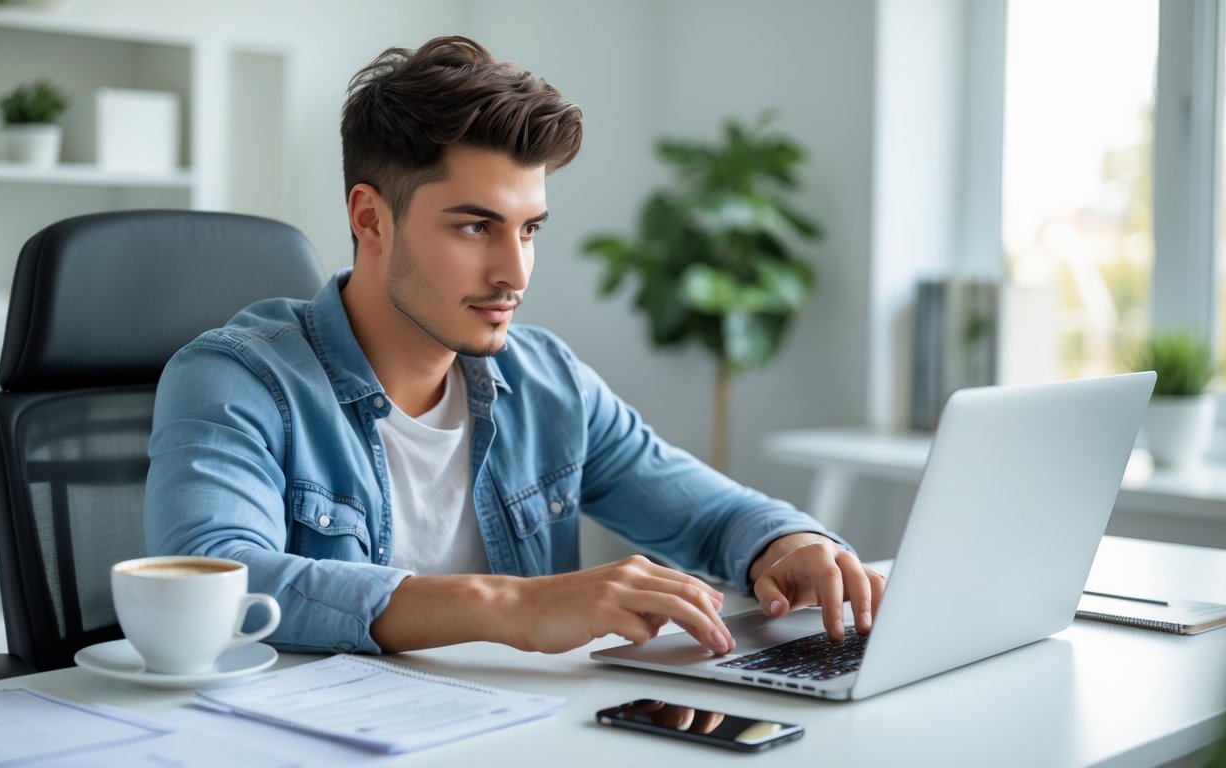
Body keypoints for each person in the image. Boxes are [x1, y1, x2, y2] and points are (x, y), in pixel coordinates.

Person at [145, 35, 884, 658]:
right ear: (371, 220)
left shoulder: (546, 380)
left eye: (528, 229)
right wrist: (514, 607)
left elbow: (706, 515)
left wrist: (786, 545)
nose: (513, 272)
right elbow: (222, 581)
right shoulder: (236, 379)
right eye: (475, 226)